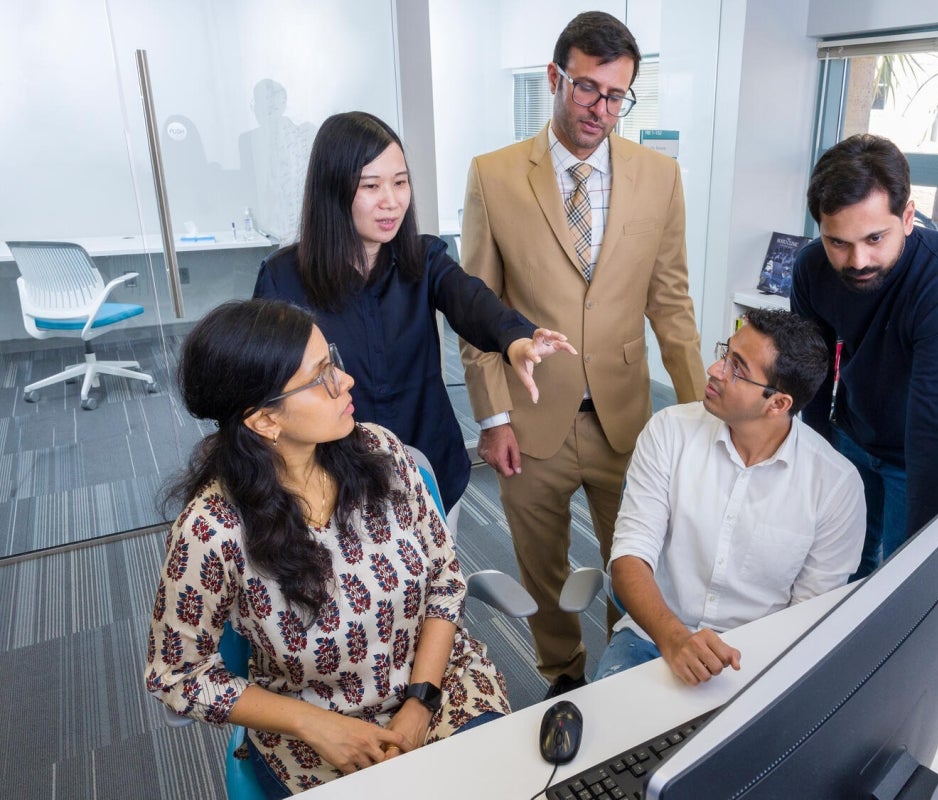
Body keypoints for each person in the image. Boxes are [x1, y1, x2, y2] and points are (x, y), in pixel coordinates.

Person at [145, 300, 510, 798]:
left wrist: (421, 702)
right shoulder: (212, 531)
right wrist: (314, 725)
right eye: (321, 377)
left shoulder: (381, 453)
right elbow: (178, 675)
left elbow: (444, 581)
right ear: (265, 421)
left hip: (442, 690)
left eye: (332, 361)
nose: (347, 382)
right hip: (316, 737)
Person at [458, 11, 707, 698]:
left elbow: (673, 308)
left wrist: (697, 421)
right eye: (588, 89)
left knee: (640, 561)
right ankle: (563, 675)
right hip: (531, 420)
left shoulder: (661, 178)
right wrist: (491, 417)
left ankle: (623, 678)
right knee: (542, 568)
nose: (601, 109)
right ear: (554, 78)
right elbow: (475, 308)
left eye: (617, 95)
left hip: (631, 419)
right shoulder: (495, 176)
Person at [254, 111, 575, 523]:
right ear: (332, 190)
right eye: (371, 186)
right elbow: (262, 386)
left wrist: (516, 339)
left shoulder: (423, 259)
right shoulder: (283, 278)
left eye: (400, 182)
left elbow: (471, 301)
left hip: (430, 466)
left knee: (437, 583)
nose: (392, 200)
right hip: (334, 480)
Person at [592, 309, 866, 684]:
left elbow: (807, 616)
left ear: (779, 404)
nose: (714, 369)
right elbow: (628, 560)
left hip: (758, 655)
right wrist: (675, 640)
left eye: (737, 368)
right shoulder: (669, 431)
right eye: (726, 353)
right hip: (654, 636)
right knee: (612, 736)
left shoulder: (835, 486)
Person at [790, 133, 938, 580]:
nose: (857, 259)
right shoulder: (811, 268)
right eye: (837, 242)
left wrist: (923, 588)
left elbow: (935, 428)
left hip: (925, 451)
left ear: (908, 216)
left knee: (902, 572)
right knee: (842, 570)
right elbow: (814, 377)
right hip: (855, 431)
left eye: (875, 238)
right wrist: (824, 469)